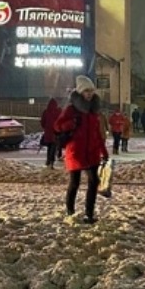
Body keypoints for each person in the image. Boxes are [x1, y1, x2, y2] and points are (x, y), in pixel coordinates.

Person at [55, 75, 109, 223]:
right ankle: (70, 211)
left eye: (91, 91)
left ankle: (89, 214)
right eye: (86, 91)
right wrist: (71, 124)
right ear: (80, 92)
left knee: (94, 181)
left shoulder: (93, 111)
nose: (89, 94)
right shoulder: (72, 109)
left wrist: (104, 152)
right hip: (76, 152)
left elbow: (97, 134)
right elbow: (58, 125)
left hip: (92, 152)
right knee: (75, 183)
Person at [40, 97, 62, 169]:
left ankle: (48, 161)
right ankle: (51, 162)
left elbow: (43, 122)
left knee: (49, 147)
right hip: (55, 133)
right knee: (53, 147)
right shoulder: (58, 111)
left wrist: (46, 128)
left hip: (48, 133)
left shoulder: (46, 111)